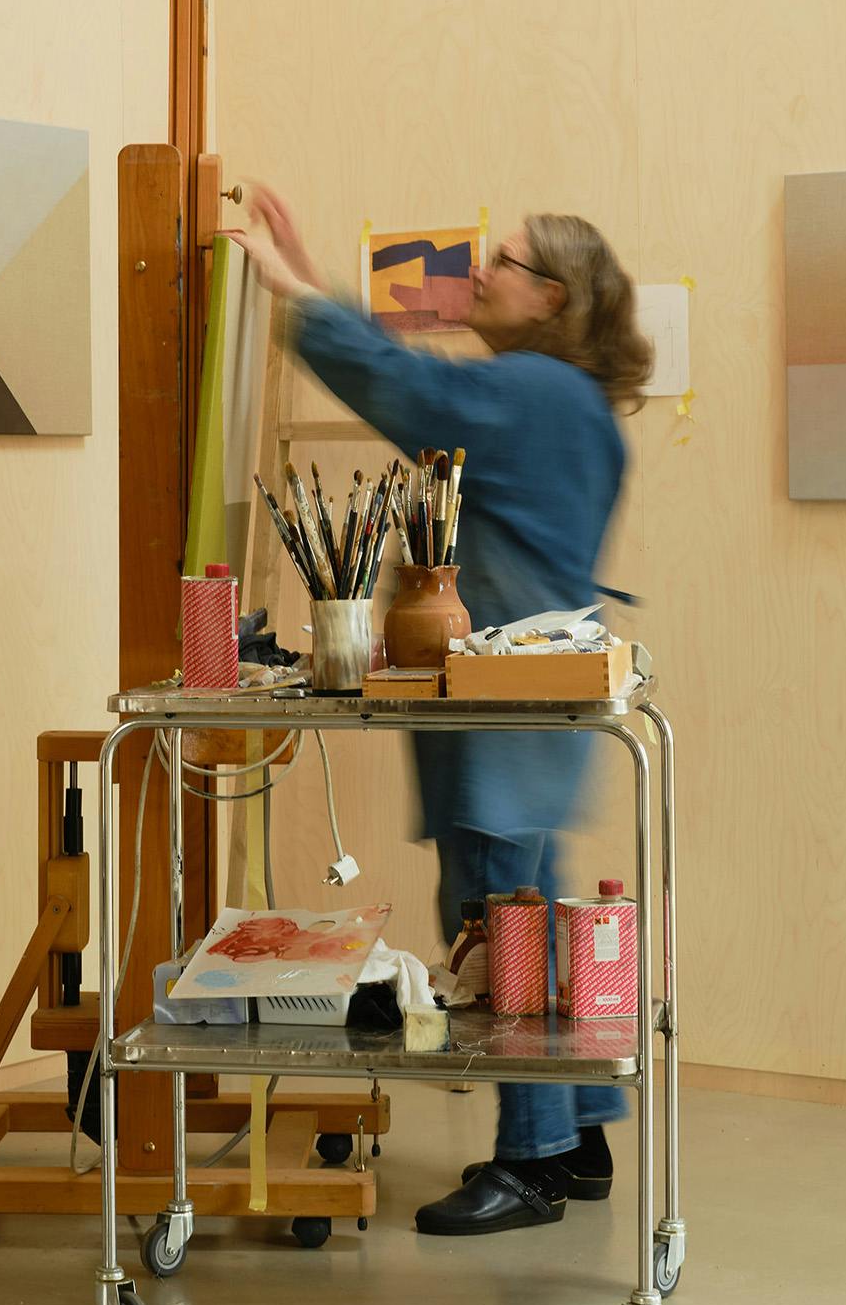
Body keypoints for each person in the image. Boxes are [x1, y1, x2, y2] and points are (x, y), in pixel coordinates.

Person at [232, 185, 652, 1236]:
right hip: (518, 698)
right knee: (523, 911)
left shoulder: (536, 391)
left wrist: (291, 288)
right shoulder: (569, 400)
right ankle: (581, 1134)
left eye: (502, 260)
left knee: (499, 920)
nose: (479, 269)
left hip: (510, 702)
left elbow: (410, 391)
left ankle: (532, 1164)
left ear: (550, 298)